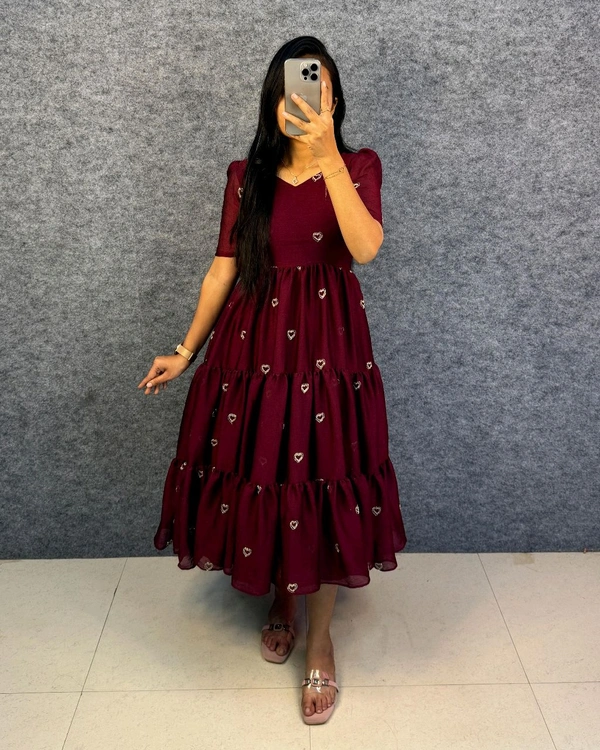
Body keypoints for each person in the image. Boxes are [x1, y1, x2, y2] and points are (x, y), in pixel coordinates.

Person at [138, 35, 407, 724]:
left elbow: (367, 248)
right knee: (271, 470)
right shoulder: (245, 175)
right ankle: (283, 594)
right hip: (254, 352)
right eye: (294, 90)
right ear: (273, 99)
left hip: (329, 355)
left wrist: (327, 157)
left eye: (319, 88)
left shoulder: (359, 165)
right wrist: (185, 351)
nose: (306, 100)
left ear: (334, 98)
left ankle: (320, 642)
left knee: (324, 476)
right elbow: (223, 268)